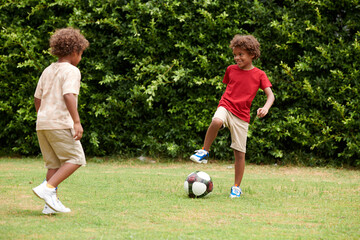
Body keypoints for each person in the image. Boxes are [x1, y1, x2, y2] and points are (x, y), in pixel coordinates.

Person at [190, 34, 275, 198]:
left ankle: (236, 187)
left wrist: (265, 107)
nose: (237, 58)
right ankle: (204, 151)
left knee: (239, 154)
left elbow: (270, 96)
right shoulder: (230, 70)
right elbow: (231, 87)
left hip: (242, 116)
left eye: (241, 54)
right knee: (216, 120)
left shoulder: (260, 75)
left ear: (252, 54)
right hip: (226, 106)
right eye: (235, 54)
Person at [32, 27, 89, 213]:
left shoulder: (47, 70)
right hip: (60, 123)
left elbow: (37, 98)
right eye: (81, 54)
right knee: (76, 158)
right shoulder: (71, 71)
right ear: (74, 51)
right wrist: (76, 122)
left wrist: (43, 116)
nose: (80, 58)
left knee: (54, 164)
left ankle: (49, 206)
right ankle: (47, 188)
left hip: (43, 124)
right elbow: (69, 95)